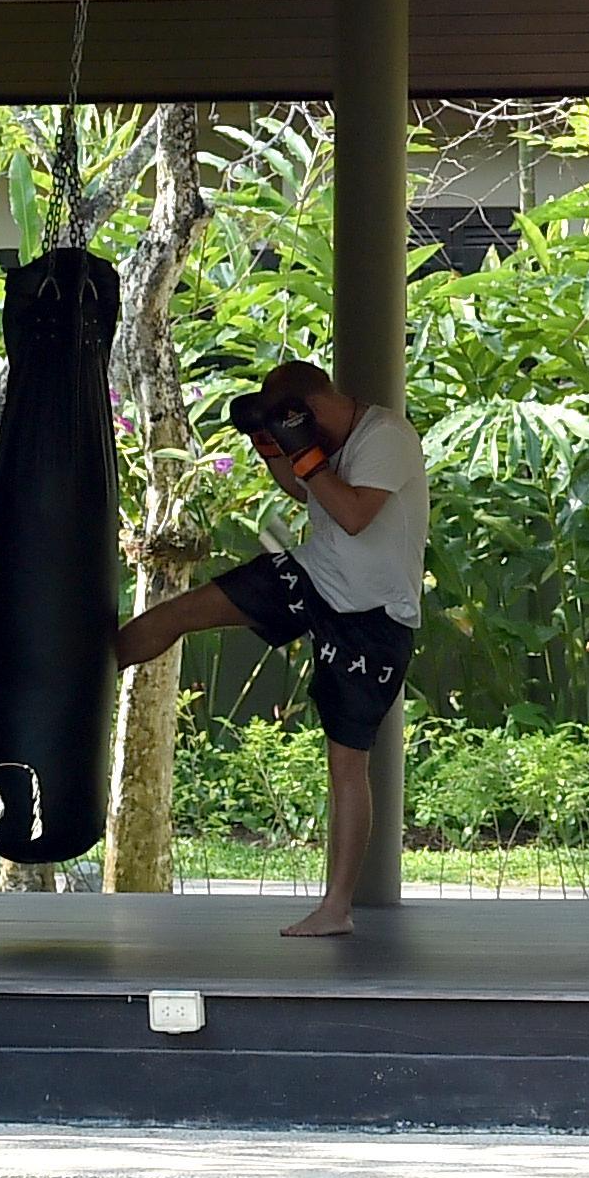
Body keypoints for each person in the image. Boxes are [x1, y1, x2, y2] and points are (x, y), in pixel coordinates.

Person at [112, 359, 430, 937]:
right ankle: (84, 676)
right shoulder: (319, 435)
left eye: (293, 427)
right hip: (315, 576)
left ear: (310, 410)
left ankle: (336, 911)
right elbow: (298, 486)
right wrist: (271, 446)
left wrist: (302, 450)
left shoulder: (387, 436)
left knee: (346, 764)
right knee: (182, 612)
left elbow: (355, 515)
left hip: (375, 618)